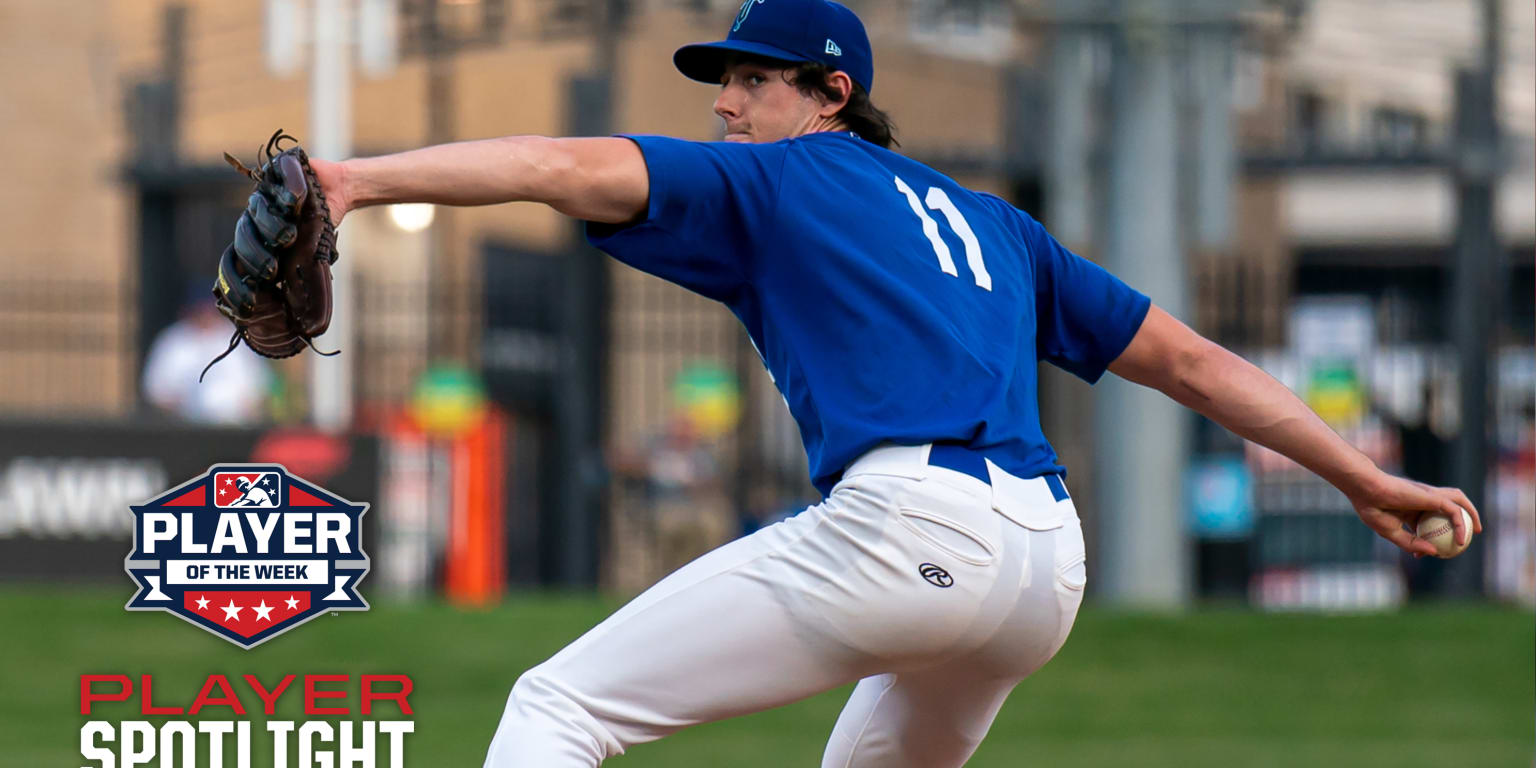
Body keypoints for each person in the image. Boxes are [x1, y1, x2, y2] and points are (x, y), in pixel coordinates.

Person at [281, 1, 1481, 764]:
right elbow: (1196, 364)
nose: (726, 100)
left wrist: (356, 181)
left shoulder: (780, 179)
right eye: (726, 78)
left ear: (831, 94)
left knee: (558, 709)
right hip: (1046, 563)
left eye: (754, 78)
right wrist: (1362, 476)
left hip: (907, 528)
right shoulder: (998, 227)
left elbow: (553, 162)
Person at [142, 286, 273, 425]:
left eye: (210, 309)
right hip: (184, 429)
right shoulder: (173, 340)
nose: (206, 314)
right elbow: (155, 391)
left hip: (233, 427)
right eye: (200, 310)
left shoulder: (240, 338)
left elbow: (261, 388)